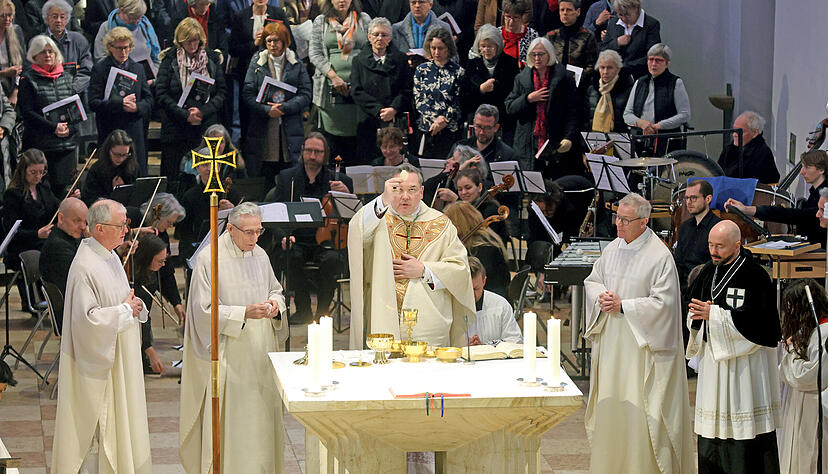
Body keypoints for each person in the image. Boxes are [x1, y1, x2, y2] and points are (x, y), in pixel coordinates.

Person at [582, 192, 694, 473]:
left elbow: (664, 305)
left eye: (625, 220)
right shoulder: (612, 249)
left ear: (644, 222)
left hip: (642, 350)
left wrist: (624, 306)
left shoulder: (659, 256)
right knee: (614, 409)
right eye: (617, 217)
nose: (618, 224)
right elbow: (593, 280)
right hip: (612, 344)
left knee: (639, 414)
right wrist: (602, 297)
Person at [179, 202, 289, 472]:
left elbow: (276, 290)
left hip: (261, 353)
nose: (254, 238)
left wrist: (275, 305)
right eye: (249, 232)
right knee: (236, 424)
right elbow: (202, 311)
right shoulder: (209, 259)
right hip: (231, 356)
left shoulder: (260, 255)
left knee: (261, 422)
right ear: (230, 228)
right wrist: (243, 313)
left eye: (258, 231)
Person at [52, 199, 151, 473]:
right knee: (101, 433)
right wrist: (125, 309)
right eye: (121, 225)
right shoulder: (85, 266)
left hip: (121, 357)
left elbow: (120, 299)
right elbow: (88, 321)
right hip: (101, 365)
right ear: (99, 228)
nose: (126, 230)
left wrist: (133, 305)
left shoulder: (109, 256)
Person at [685, 220, 782, 473]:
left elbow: (761, 325)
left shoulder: (755, 275)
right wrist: (699, 316)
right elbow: (692, 307)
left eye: (720, 246)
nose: (713, 251)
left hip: (744, 369)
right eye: (710, 245)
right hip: (714, 366)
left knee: (744, 437)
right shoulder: (708, 271)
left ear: (737, 245)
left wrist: (715, 315)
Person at [347, 163, 476, 349]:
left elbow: (460, 270)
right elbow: (357, 232)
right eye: (398, 190)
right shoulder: (377, 218)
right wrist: (383, 200)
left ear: (422, 192)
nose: (405, 196)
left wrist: (424, 270)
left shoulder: (441, 223)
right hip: (383, 316)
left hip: (428, 320)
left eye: (412, 190)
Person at [273, 132, 353, 322]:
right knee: (289, 255)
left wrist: (346, 194)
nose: (312, 155)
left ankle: (322, 313)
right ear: (302, 151)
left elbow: (352, 217)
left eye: (318, 152)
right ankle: (303, 310)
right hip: (297, 238)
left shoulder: (340, 181)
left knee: (333, 260)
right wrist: (283, 236)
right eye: (308, 150)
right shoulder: (287, 178)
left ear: (325, 154)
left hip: (327, 240)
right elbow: (275, 212)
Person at [155, 17, 226, 180]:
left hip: (204, 126)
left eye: (195, 40)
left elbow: (221, 92)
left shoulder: (212, 59)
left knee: (205, 178)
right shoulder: (169, 59)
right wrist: (185, 114)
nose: (193, 45)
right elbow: (161, 94)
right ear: (180, 41)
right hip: (176, 127)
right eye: (188, 41)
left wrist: (202, 112)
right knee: (174, 178)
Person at [242, 19, 311, 183]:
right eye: (269, 41)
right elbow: (247, 94)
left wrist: (285, 107)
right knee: (265, 173)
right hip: (263, 126)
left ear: (285, 41)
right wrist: (267, 110)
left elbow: (306, 93)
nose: (273, 44)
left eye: (277, 40)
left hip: (290, 125)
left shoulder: (296, 63)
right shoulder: (257, 63)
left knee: (289, 174)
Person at [505, 37, 582, 178]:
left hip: (555, 139)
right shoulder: (521, 78)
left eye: (541, 54)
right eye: (533, 54)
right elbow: (509, 107)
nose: (537, 58)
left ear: (549, 55)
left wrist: (569, 137)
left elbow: (573, 112)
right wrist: (528, 98)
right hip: (527, 142)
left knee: (554, 185)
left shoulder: (564, 78)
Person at [308, 0, 370, 165]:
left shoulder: (364, 19)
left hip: (359, 91)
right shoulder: (321, 21)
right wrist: (334, 77)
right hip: (330, 92)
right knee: (333, 145)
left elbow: (371, 50)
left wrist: (358, 79)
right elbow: (315, 53)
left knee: (358, 147)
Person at [726, 149, 828, 246]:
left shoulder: (825, 196)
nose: (801, 172)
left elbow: (800, 216)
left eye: (807, 167)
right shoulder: (815, 194)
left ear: (821, 170)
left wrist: (747, 210)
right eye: (802, 167)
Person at [778, 279, 828, 474]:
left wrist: (791, 351)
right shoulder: (809, 329)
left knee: (812, 458)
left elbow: (808, 377)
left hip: (814, 406)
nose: (790, 313)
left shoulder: (824, 333)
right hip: (799, 403)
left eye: (792, 307)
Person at [88, 27, 153, 176]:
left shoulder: (138, 68)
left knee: (135, 175)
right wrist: (120, 104)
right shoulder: (100, 69)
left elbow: (149, 99)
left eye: (126, 47)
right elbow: (93, 102)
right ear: (110, 47)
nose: (123, 52)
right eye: (119, 48)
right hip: (110, 129)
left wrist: (137, 107)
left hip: (133, 130)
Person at [18, 35, 77, 195]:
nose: (48, 55)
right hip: (40, 145)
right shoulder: (27, 79)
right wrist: (53, 127)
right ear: (34, 56)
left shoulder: (67, 78)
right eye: (43, 52)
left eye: (51, 51)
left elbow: (76, 110)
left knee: (64, 192)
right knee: (42, 192)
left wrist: (70, 129)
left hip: (66, 145)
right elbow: (27, 112)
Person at [2, 149, 60, 312]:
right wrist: (37, 234)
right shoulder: (13, 195)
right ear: (23, 171)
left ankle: (56, 298)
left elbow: (55, 209)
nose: (38, 176)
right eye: (33, 172)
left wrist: (68, 201)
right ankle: (39, 300)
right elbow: (12, 232)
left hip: (42, 243)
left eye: (41, 172)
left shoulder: (43, 188)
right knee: (49, 254)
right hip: (21, 246)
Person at [229, 0, 293, 141]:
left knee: (273, 116)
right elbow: (233, 49)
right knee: (248, 117)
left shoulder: (278, 14)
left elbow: (290, 43)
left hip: (275, 73)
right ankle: (247, 148)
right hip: (248, 75)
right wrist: (254, 44)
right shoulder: (240, 16)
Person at [351, 17, 413, 160]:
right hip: (369, 120)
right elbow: (356, 91)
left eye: (384, 35)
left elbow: (407, 89)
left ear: (390, 38)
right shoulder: (358, 61)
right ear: (369, 37)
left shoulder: (401, 59)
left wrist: (393, 109)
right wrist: (379, 110)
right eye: (376, 34)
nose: (380, 38)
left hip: (395, 119)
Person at [623, 43, 690, 156]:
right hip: (640, 139)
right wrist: (641, 123)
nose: (653, 64)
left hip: (666, 141)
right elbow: (627, 114)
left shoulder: (676, 83)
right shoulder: (639, 82)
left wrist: (657, 126)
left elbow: (684, 115)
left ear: (667, 63)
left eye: (658, 60)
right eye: (651, 59)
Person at [413, 27, 465, 159]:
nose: (436, 52)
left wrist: (444, 119)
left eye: (440, 48)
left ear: (448, 48)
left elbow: (458, 100)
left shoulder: (458, 72)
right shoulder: (421, 70)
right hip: (427, 128)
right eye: (433, 48)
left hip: (449, 129)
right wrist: (435, 120)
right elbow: (419, 100)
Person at [136, 192, 187, 324]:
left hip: (147, 292)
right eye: (169, 222)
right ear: (157, 215)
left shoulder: (162, 235)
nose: (170, 227)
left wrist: (176, 302)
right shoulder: (135, 220)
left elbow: (166, 269)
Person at [443, 201, 510, 298]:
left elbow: (470, 282)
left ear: (458, 225)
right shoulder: (488, 238)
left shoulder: (481, 249)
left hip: (488, 300)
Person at [464, 28, 519, 143]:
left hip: (503, 120)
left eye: (490, 46)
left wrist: (496, 87)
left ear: (498, 46)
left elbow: (513, 93)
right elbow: (465, 97)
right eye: (483, 46)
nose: (486, 50)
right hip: (478, 120)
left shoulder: (511, 63)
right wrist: (481, 89)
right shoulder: (472, 65)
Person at [673, 179, 721, 306]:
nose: (688, 202)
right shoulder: (684, 227)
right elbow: (678, 263)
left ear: (708, 199)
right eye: (686, 198)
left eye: (693, 198)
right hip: (683, 292)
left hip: (706, 294)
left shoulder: (718, 228)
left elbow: (718, 266)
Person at [131, 233, 169, 374]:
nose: (163, 264)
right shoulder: (136, 280)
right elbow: (142, 317)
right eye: (160, 261)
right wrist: (148, 348)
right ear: (147, 258)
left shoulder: (149, 272)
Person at [466, 255, 521, 345]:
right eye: (467, 289)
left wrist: (485, 347)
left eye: (475, 289)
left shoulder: (501, 306)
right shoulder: (448, 307)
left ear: (484, 281)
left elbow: (514, 340)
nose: (471, 295)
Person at [39, 197, 87, 301]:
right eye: (77, 221)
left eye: (85, 222)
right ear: (61, 218)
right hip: (69, 305)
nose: (83, 227)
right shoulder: (58, 246)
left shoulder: (69, 237)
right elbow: (79, 280)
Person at [599, 0, 660, 79]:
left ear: (637, 9)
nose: (623, 18)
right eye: (620, 15)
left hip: (640, 76)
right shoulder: (614, 22)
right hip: (614, 78)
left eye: (627, 15)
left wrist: (623, 67)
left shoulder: (651, 24)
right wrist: (616, 43)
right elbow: (602, 50)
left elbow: (652, 55)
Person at [42, 0, 92, 95]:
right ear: (47, 18)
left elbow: (87, 70)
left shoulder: (79, 40)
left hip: (77, 93)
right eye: (54, 16)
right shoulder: (39, 42)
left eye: (62, 17)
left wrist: (72, 89)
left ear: (67, 19)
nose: (58, 20)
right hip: (48, 95)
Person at [93, 0, 162, 68]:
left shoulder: (145, 25)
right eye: (132, 18)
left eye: (139, 18)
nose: (136, 22)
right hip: (119, 71)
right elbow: (101, 58)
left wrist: (156, 71)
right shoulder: (106, 27)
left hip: (148, 71)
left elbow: (157, 57)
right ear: (122, 10)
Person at [718, 110, 780, 184]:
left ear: (755, 133)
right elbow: (717, 173)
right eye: (734, 130)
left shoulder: (762, 153)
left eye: (740, 132)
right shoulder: (730, 148)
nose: (734, 134)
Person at [545, 0, 597, 87]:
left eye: (569, 10)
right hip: (554, 82)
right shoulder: (551, 35)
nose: (565, 13)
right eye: (562, 10)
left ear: (578, 12)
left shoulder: (588, 36)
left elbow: (592, 65)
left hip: (579, 84)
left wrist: (578, 77)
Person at [81, 129, 139, 206]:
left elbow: (138, 196)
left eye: (124, 155)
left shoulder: (133, 167)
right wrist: (114, 193)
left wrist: (124, 191)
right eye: (117, 154)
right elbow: (88, 199)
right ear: (108, 150)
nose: (120, 159)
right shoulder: (97, 169)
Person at [585, 48, 632, 132]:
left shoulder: (628, 90)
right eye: (602, 67)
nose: (605, 72)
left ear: (618, 69)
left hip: (619, 136)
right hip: (592, 136)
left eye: (610, 68)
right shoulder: (592, 89)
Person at [453, 104, 518, 164]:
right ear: (473, 123)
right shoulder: (459, 147)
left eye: (487, 128)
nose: (481, 132)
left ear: (496, 128)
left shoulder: (508, 156)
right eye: (478, 126)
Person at [0, 0, 25, 106]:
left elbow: (23, 65)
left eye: (10, 15)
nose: (7, 19)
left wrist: (15, 91)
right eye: (2, 16)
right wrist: (3, 73)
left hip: (12, 86)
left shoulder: (16, 31)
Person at [499, 0, 538, 67]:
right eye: (508, 17)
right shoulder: (496, 34)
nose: (511, 22)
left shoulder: (532, 35)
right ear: (503, 15)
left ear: (522, 17)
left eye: (516, 17)